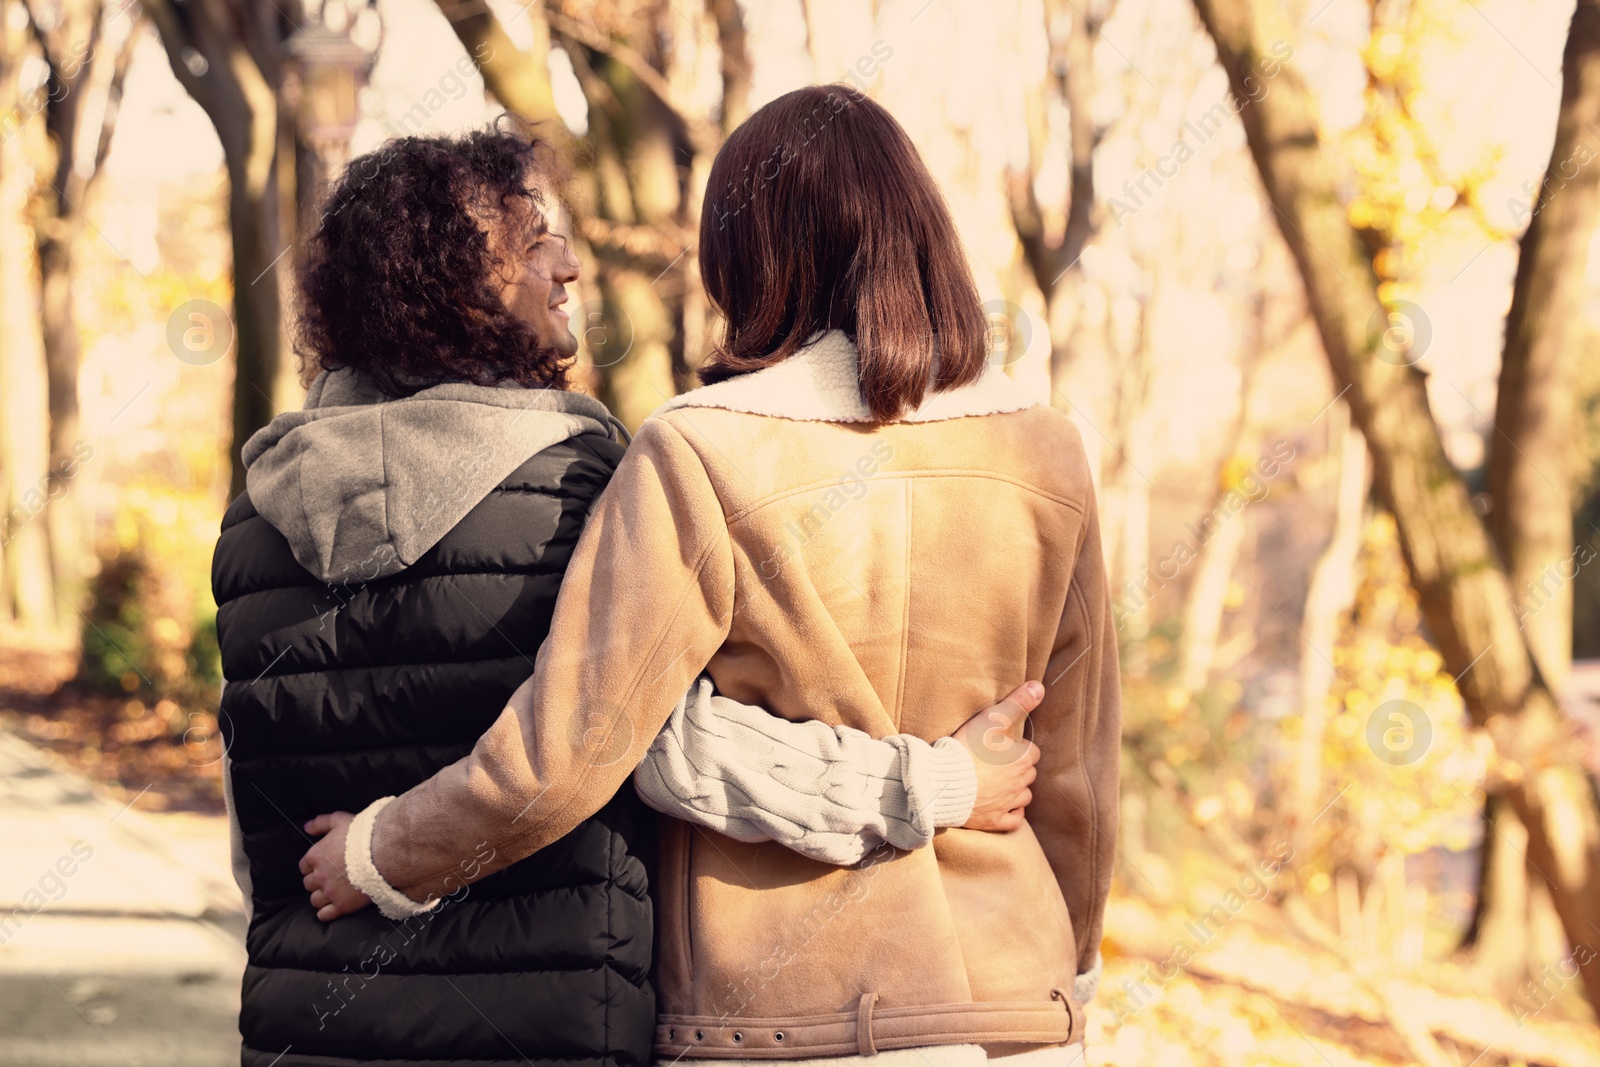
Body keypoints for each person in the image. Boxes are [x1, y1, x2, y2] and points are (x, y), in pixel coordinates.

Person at [302, 86, 1121, 1066]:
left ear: (745, 254)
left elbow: (570, 750)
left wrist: (381, 853)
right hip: (1013, 1006)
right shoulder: (1046, 453)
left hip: (786, 1017)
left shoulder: (699, 450)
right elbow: (1077, 772)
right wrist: (1066, 968)